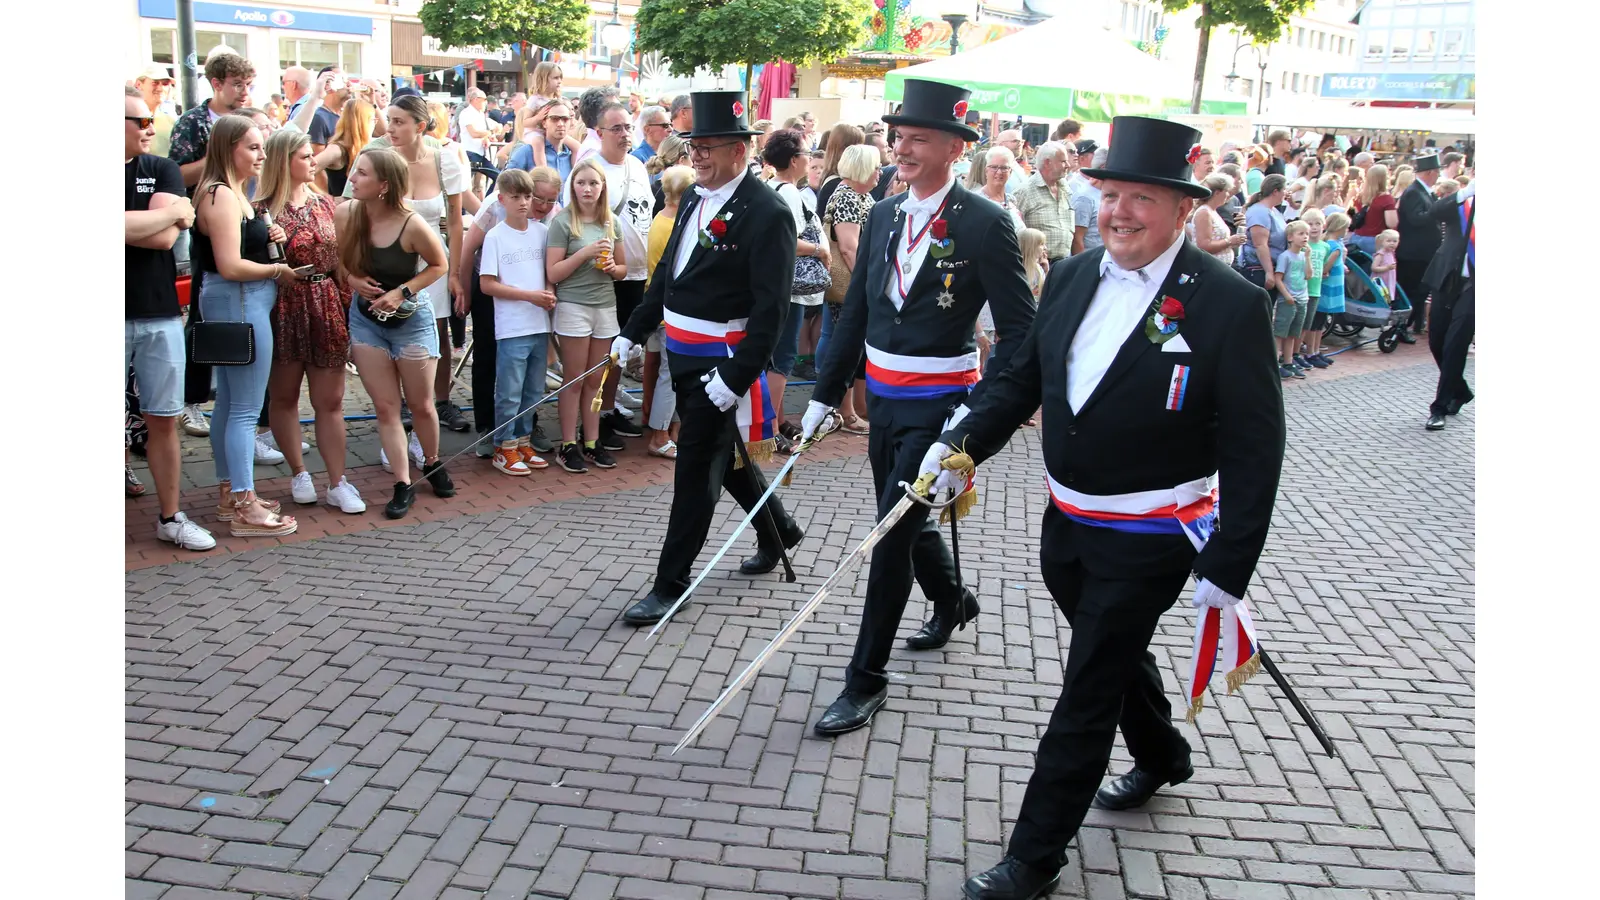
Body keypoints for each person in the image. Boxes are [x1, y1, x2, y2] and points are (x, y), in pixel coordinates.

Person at [928, 117, 1284, 900]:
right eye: (1110, 194)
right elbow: (1022, 376)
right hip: (1068, 524)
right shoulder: (1078, 274)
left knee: (1087, 683)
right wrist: (961, 443)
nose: (1119, 212)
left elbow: (1256, 446)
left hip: (1153, 533)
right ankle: (1163, 754)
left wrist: (1232, 560)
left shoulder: (1227, 304)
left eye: (1141, 199)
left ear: (1184, 209)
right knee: (1111, 653)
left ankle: (1035, 855)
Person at [798, 79, 1037, 737]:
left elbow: (1022, 338)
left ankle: (864, 680)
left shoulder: (987, 223)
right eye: (897, 136)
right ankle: (952, 598)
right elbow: (860, 315)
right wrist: (824, 393)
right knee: (905, 519)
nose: (899, 147)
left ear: (955, 149)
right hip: (884, 403)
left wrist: (972, 427)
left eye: (917, 138)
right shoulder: (881, 215)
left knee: (887, 537)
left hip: (940, 406)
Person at [610, 90, 805, 626]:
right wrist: (634, 329)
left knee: (696, 471)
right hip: (682, 351)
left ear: (741, 150)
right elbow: (668, 275)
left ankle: (670, 584)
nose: (695, 155)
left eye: (708, 146)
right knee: (727, 461)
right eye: (693, 145)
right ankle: (780, 529)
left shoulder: (767, 212)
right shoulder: (695, 198)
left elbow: (772, 312)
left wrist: (738, 377)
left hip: (723, 359)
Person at [191, 114, 299, 538]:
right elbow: (230, 266)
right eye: (253, 147)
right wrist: (277, 271)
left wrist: (266, 233)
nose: (262, 155)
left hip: (237, 302)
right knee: (244, 409)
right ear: (228, 148)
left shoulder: (229, 193)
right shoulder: (220, 195)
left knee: (230, 404)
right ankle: (244, 503)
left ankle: (230, 493)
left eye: (262, 146)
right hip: (240, 303)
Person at [253, 128, 365, 514]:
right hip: (282, 303)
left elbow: (343, 263)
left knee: (330, 401)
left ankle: (338, 481)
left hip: (325, 301)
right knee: (283, 397)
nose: (313, 161)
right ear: (284, 161)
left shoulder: (327, 204)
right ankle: (300, 473)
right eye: (304, 156)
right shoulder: (261, 208)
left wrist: (351, 311)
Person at [337, 148, 453, 518]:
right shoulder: (347, 214)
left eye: (362, 174)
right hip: (366, 319)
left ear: (384, 185)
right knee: (386, 408)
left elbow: (440, 265)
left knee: (421, 405)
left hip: (410, 320)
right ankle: (403, 483)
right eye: (355, 171)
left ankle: (432, 462)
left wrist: (402, 291)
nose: (352, 179)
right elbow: (339, 264)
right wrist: (353, 279)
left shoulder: (411, 223)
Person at [125, 88, 215, 550]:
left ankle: (170, 515)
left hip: (159, 314)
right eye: (139, 122)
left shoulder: (159, 168)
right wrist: (165, 217)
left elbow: (163, 242)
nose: (149, 129)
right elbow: (163, 226)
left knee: (162, 417)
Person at [453, 167, 564, 458]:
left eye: (550, 201)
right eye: (537, 197)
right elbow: (469, 249)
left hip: (532, 300)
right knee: (489, 357)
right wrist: (462, 288)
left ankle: (524, 431)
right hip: (493, 283)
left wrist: (548, 290)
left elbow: (550, 258)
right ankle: (490, 430)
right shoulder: (495, 211)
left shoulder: (547, 220)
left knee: (530, 374)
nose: (540, 206)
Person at [381, 95, 472, 434]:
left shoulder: (444, 160)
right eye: (388, 120)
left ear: (419, 126)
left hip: (436, 261)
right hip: (395, 261)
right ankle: (404, 402)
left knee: (439, 334)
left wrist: (457, 274)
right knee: (397, 332)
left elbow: (456, 220)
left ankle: (442, 400)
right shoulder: (384, 161)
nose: (390, 128)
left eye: (398, 121)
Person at [570, 102, 654, 450]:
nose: (624, 133)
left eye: (627, 127)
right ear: (599, 133)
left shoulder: (637, 166)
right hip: (604, 277)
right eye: (616, 128)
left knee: (623, 345)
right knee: (604, 349)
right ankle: (594, 417)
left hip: (637, 273)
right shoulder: (590, 169)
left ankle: (609, 408)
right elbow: (575, 219)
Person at [546, 158, 628, 472]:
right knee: (575, 380)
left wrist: (611, 268)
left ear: (603, 186)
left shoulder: (612, 221)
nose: (587, 189)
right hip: (573, 306)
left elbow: (623, 270)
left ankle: (591, 441)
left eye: (593, 183)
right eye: (581, 183)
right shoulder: (563, 221)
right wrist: (583, 253)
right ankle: (567, 444)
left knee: (596, 379)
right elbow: (553, 272)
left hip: (605, 307)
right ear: (573, 186)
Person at [477, 169, 556, 475]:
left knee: (533, 390)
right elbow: (487, 284)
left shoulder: (541, 232)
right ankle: (503, 445)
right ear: (501, 199)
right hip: (511, 327)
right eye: (516, 197)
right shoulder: (495, 236)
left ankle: (522, 440)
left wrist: (548, 293)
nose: (523, 202)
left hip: (539, 324)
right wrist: (529, 296)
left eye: (527, 196)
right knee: (509, 390)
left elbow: (549, 275)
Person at [763, 129, 832, 453]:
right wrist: (819, 249)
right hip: (789, 287)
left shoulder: (771, 186)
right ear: (793, 160)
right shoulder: (789, 193)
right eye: (805, 154)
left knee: (777, 355)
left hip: (777, 284)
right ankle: (770, 427)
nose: (809, 159)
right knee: (783, 357)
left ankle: (776, 419)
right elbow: (787, 240)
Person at [818, 143, 880, 435]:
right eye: (876, 167)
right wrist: (867, 282)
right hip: (851, 285)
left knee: (852, 345)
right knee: (848, 346)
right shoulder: (847, 197)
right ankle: (845, 410)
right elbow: (848, 247)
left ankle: (853, 407)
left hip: (856, 284)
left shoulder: (859, 195)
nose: (880, 172)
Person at [640, 166, 695, 459]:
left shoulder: (662, 218)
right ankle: (660, 434)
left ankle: (671, 429)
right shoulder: (672, 224)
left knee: (667, 373)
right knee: (668, 375)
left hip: (662, 309)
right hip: (668, 313)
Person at [1422, 179, 1474, 430]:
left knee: (1456, 344)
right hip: (1447, 276)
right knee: (1436, 341)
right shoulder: (1464, 203)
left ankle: (1439, 407)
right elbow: (1434, 211)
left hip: (1475, 286)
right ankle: (1460, 390)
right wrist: (1464, 193)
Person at [1397, 153, 1444, 341]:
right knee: (1410, 291)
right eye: (1437, 171)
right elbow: (1416, 219)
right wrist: (1437, 210)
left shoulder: (1425, 191)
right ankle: (1402, 327)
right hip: (1413, 254)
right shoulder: (1414, 192)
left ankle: (1411, 324)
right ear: (1430, 172)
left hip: (1423, 253)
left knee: (1420, 291)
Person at [1014, 142, 1076, 263]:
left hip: (1064, 262)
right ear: (1048, 163)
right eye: (1063, 161)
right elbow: (1014, 232)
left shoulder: (1065, 188)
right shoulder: (1024, 192)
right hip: (1037, 265)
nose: (1068, 165)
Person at [1274, 220, 1313, 379]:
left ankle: (1288, 362)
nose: (1305, 237)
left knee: (1292, 334)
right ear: (1290, 237)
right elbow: (1278, 278)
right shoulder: (1285, 256)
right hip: (1288, 300)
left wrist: (1308, 257)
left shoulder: (1304, 256)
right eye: (1301, 233)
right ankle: (1275, 362)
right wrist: (1287, 296)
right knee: (1280, 332)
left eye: (1306, 234)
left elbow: (1308, 275)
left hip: (1302, 299)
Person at [312, 97, 374, 200]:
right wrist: (328, 199)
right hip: (342, 212)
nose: (374, 124)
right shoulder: (337, 149)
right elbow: (303, 171)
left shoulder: (362, 146)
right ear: (363, 122)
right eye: (373, 120)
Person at [1239, 174, 1288, 296]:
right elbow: (1260, 244)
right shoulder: (1259, 212)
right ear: (1275, 191)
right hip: (1259, 270)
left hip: (1274, 266)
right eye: (1284, 189)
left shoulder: (1274, 210)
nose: (1286, 193)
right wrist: (1269, 272)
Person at [1297, 209, 1332, 370]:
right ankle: (1294, 354)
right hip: (1302, 289)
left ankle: (1307, 353)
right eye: (1310, 224)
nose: (1314, 227)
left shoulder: (1325, 246)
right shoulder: (1303, 246)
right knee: (1300, 324)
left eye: (1318, 223)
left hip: (1316, 289)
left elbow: (1323, 268)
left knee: (1309, 324)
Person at [1188, 174, 1246, 266]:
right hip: (1210, 267)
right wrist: (1230, 241)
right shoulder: (1204, 212)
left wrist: (1234, 242)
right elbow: (1204, 246)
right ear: (1217, 193)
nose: (1228, 195)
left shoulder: (1212, 211)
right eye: (1226, 191)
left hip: (1220, 266)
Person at [1348, 163, 1395, 256]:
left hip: (1356, 238)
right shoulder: (1386, 198)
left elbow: (1355, 215)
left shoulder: (1360, 196)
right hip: (1375, 241)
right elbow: (1392, 223)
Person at [134, 64, 179, 157]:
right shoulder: (129, 119)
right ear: (139, 84)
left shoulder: (171, 121)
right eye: (155, 83)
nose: (160, 88)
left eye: (165, 84)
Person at [977, 148, 1026, 230]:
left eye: (1004, 168)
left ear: (1010, 172)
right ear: (986, 171)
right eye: (994, 167)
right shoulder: (978, 202)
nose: (999, 172)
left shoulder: (1011, 200)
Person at [1069, 150, 1107, 256]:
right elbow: (1077, 238)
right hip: (1090, 261)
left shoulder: (1106, 193)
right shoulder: (1085, 197)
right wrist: (1082, 267)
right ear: (1104, 168)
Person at [457, 88, 499, 169]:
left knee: (493, 175)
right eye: (484, 100)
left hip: (480, 152)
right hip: (470, 152)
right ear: (476, 99)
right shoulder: (466, 113)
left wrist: (486, 138)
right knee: (471, 179)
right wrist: (490, 132)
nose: (486, 102)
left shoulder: (480, 114)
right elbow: (474, 133)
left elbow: (481, 132)